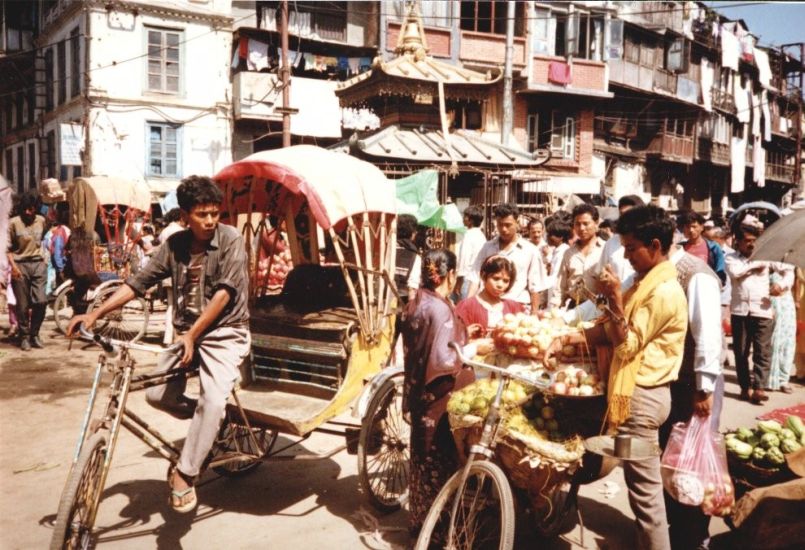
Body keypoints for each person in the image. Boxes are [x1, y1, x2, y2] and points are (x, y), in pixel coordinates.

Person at [67, 175, 251, 514]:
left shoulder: (230, 239)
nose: (210, 221)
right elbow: (137, 283)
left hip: (224, 332)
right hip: (185, 334)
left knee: (211, 400)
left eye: (214, 213)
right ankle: (211, 426)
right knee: (156, 395)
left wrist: (193, 336)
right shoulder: (175, 245)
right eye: (201, 215)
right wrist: (94, 314)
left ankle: (187, 472)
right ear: (185, 216)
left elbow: (225, 294)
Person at [546, 205, 688, 550]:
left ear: (655, 245)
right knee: (640, 490)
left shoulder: (664, 291)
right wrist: (569, 337)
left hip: (641, 400)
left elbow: (625, 345)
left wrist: (614, 298)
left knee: (645, 494)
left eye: (631, 248)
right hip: (633, 395)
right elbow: (608, 331)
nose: (626, 255)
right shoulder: (644, 282)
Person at [402, 249, 492, 537]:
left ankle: (420, 526)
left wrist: (465, 333)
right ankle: (438, 533)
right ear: (450, 274)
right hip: (439, 397)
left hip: (418, 395)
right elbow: (443, 360)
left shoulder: (418, 300)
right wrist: (474, 349)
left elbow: (428, 343)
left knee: (421, 462)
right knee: (439, 462)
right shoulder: (440, 309)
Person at [725, 224, 787, 404]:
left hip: (763, 309)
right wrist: (755, 265)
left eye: (754, 241)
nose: (752, 245)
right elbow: (735, 273)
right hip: (740, 311)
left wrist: (780, 285)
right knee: (741, 351)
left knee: (762, 351)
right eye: (748, 241)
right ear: (738, 242)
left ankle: (759, 387)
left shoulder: (767, 256)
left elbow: (787, 272)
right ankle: (745, 386)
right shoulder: (731, 257)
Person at [466, 203, 547, 313]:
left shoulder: (530, 250)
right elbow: (476, 278)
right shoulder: (487, 247)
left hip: (517, 308)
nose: (503, 229)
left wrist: (534, 315)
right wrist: (468, 304)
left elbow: (535, 287)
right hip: (487, 308)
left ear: (517, 223)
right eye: (500, 225)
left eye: (508, 225)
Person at [7, 192, 48, 351]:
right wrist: (14, 267)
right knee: (22, 305)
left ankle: (34, 334)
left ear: (35, 208)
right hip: (20, 265)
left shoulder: (42, 221)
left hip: (38, 264)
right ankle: (24, 336)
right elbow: (7, 249)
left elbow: (43, 240)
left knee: (41, 301)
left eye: (31, 209)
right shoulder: (13, 223)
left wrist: (44, 259)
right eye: (25, 209)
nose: (28, 213)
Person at [455, 255, 524, 338]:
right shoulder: (467, 306)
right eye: (496, 278)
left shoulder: (513, 307)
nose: (500, 285)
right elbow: (456, 338)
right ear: (484, 276)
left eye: (506, 281)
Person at [552, 203, 605, 308]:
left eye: (586, 224)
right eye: (577, 224)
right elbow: (560, 286)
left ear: (596, 223)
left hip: (598, 308)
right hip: (574, 306)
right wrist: (555, 308)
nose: (581, 228)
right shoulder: (569, 253)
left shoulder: (605, 249)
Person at [597, 195, 645, 285]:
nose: (625, 219)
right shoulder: (611, 243)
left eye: (630, 215)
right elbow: (600, 273)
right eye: (622, 215)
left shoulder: (648, 242)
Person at [157, 208, 186, 345]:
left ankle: (169, 336)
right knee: (176, 305)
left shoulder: (164, 231)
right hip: (176, 272)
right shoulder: (178, 232)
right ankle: (172, 337)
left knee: (171, 304)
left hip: (166, 273)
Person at [766, 263, 796, 394]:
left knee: (787, 342)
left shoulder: (789, 266)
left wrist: (780, 286)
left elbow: (790, 281)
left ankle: (784, 379)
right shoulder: (765, 264)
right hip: (770, 304)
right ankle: (768, 379)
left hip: (786, 305)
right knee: (771, 341)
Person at [676, 210, 727, 285]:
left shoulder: (713, 248)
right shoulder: (679, 248)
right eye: (687, 227)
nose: (691, 230)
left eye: (694, 226)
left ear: (702, 227)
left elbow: (720, 271)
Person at [454, 205, 486, 303]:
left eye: (465, 216)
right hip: (478, 279)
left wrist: (458, 282)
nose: (463, 219)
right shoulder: (481, 236)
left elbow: (464, 260)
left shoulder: (468, 235)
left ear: (470, 220)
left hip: (467, 279)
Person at [394, 214, 421, 305]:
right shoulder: (414, 256)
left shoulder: (387, 249)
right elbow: (412, 289)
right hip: (401, 304)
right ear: (412, 233)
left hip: (380, 302)